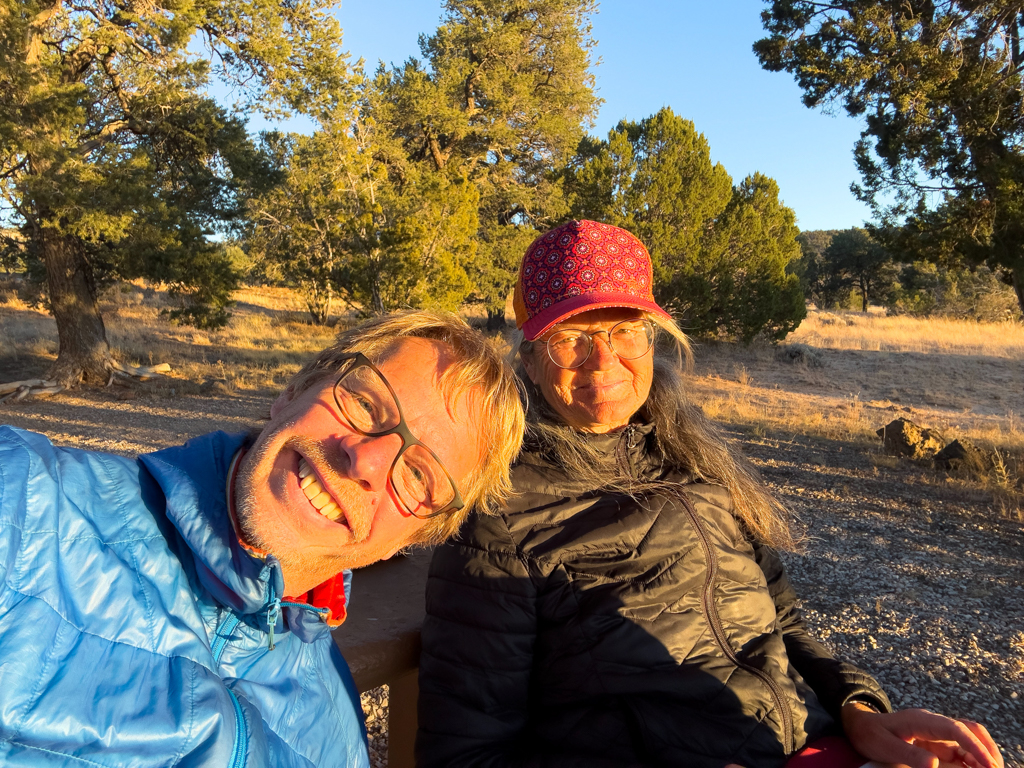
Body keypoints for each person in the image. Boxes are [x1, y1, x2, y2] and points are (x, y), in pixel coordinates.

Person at [416, 221, 1004, 768]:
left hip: (816, 745)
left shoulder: (695, 464)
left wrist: (861, 711)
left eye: (627, 330)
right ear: (530, 356)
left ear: (653, 342)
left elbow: (784, 620)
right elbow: (466, 751)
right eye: (573, 336)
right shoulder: (502, 517)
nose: (605, 359)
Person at [0, 310, 523, 768]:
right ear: (294, 390)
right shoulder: (27, 500)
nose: (364, 460)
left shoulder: (335, 734)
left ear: (414, 538)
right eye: (365, 405)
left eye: (417, 477)